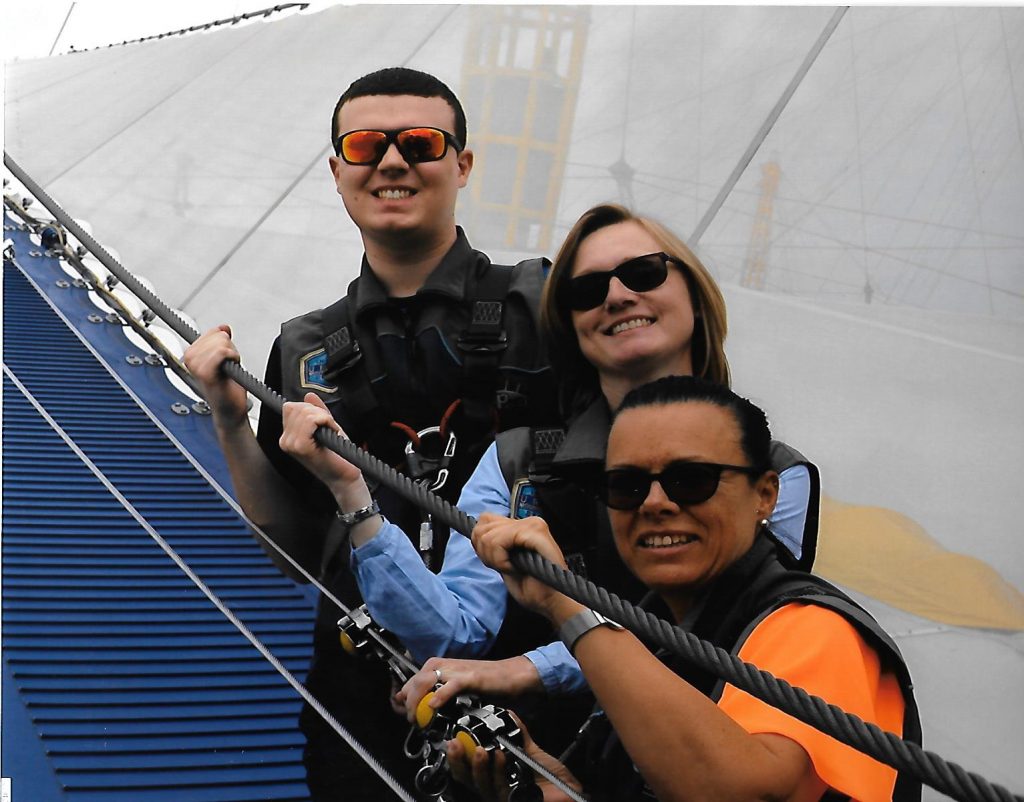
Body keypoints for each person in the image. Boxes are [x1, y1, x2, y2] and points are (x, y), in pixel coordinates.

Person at [280, 203, 818, 758]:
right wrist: (352, 493)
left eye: (644, 273)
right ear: (571, 327)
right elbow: (456, 630)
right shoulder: (515, 462)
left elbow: (722, 633)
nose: (616, 296)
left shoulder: (777, 473)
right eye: (587, 290)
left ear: (696, 297)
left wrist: (526, 669)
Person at [183, 67, 559, 801]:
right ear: (337, 172)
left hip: (530, 684)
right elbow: (294, 555)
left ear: (462, 164)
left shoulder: (542, 308)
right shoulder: (303, 349)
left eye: (420, 143)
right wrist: (228, 418)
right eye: (365, 146)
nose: (391, 162)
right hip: (363, 698)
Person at [404, 375, 921, 802]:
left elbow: (743, 793)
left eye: (692, 479)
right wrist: (553, 782)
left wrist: (566, 604)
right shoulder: (654, 630)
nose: (654, 503)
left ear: (765, 495)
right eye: (627, 485)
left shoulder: (816, 629)